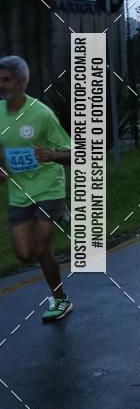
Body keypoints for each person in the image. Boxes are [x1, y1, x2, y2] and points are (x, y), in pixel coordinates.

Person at [0, 56, 73, 321]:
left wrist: (52, 155)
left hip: (48, 187)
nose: (2, 85)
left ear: (22, 81)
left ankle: (60, 299)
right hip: (19, 191)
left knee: (42, 247)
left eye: (7, 79)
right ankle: (62, 214)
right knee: (24, 254)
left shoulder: (42, 114)